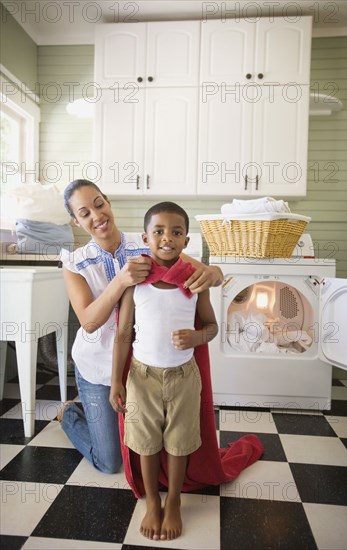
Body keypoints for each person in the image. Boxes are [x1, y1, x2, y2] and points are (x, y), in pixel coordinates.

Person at [58, 180, 223, 474]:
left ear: (107, 202)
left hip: (142, 368)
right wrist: (121, 279)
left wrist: (215, 272)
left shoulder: (148, 240)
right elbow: (90, 322)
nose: (97, 216)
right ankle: (70, 412)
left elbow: (200, 270)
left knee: (146, 446)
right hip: (97, 367)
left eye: (99, 204)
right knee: (110, 462)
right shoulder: (74, 264)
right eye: (84, 213)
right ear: (76, 221)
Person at [110, 201, 218, 541]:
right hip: (142, 378)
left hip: (184, 377)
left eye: (176, 232)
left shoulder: (193, 282)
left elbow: (212, 326)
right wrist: (117, 380)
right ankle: (153, 501)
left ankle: (173, 500)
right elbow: (124, 333)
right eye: (158, 231)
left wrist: (197, 336)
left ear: (187, 241)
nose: (167, 238)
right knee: (145, 441)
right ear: (146, 237)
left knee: (179, 442)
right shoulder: (136, 281)